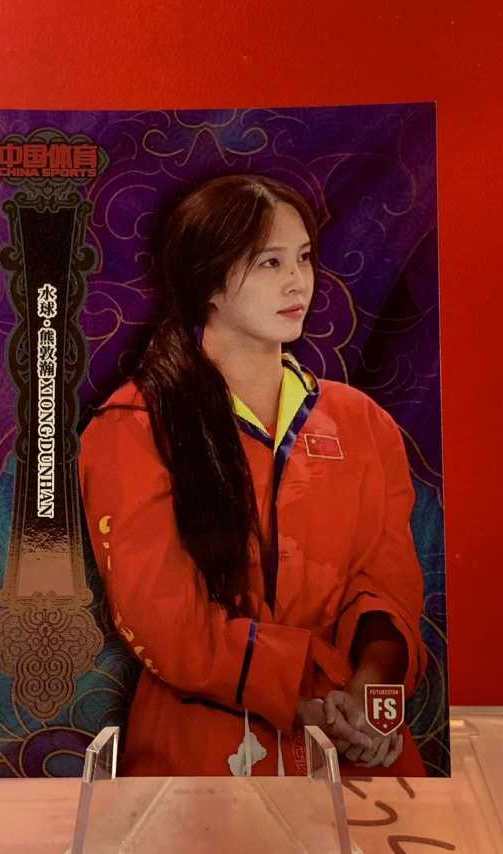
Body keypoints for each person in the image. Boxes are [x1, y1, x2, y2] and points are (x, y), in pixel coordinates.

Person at [78, 174, 427, 777]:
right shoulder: (135, 424)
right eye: (270, 262)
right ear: (209, 281)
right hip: (197, 749)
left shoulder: (362, 423)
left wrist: (371, 703)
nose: (298, 282)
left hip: (354, 740)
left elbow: (387, 586)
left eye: (304, 258)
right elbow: (166, 625)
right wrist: (302, 695)